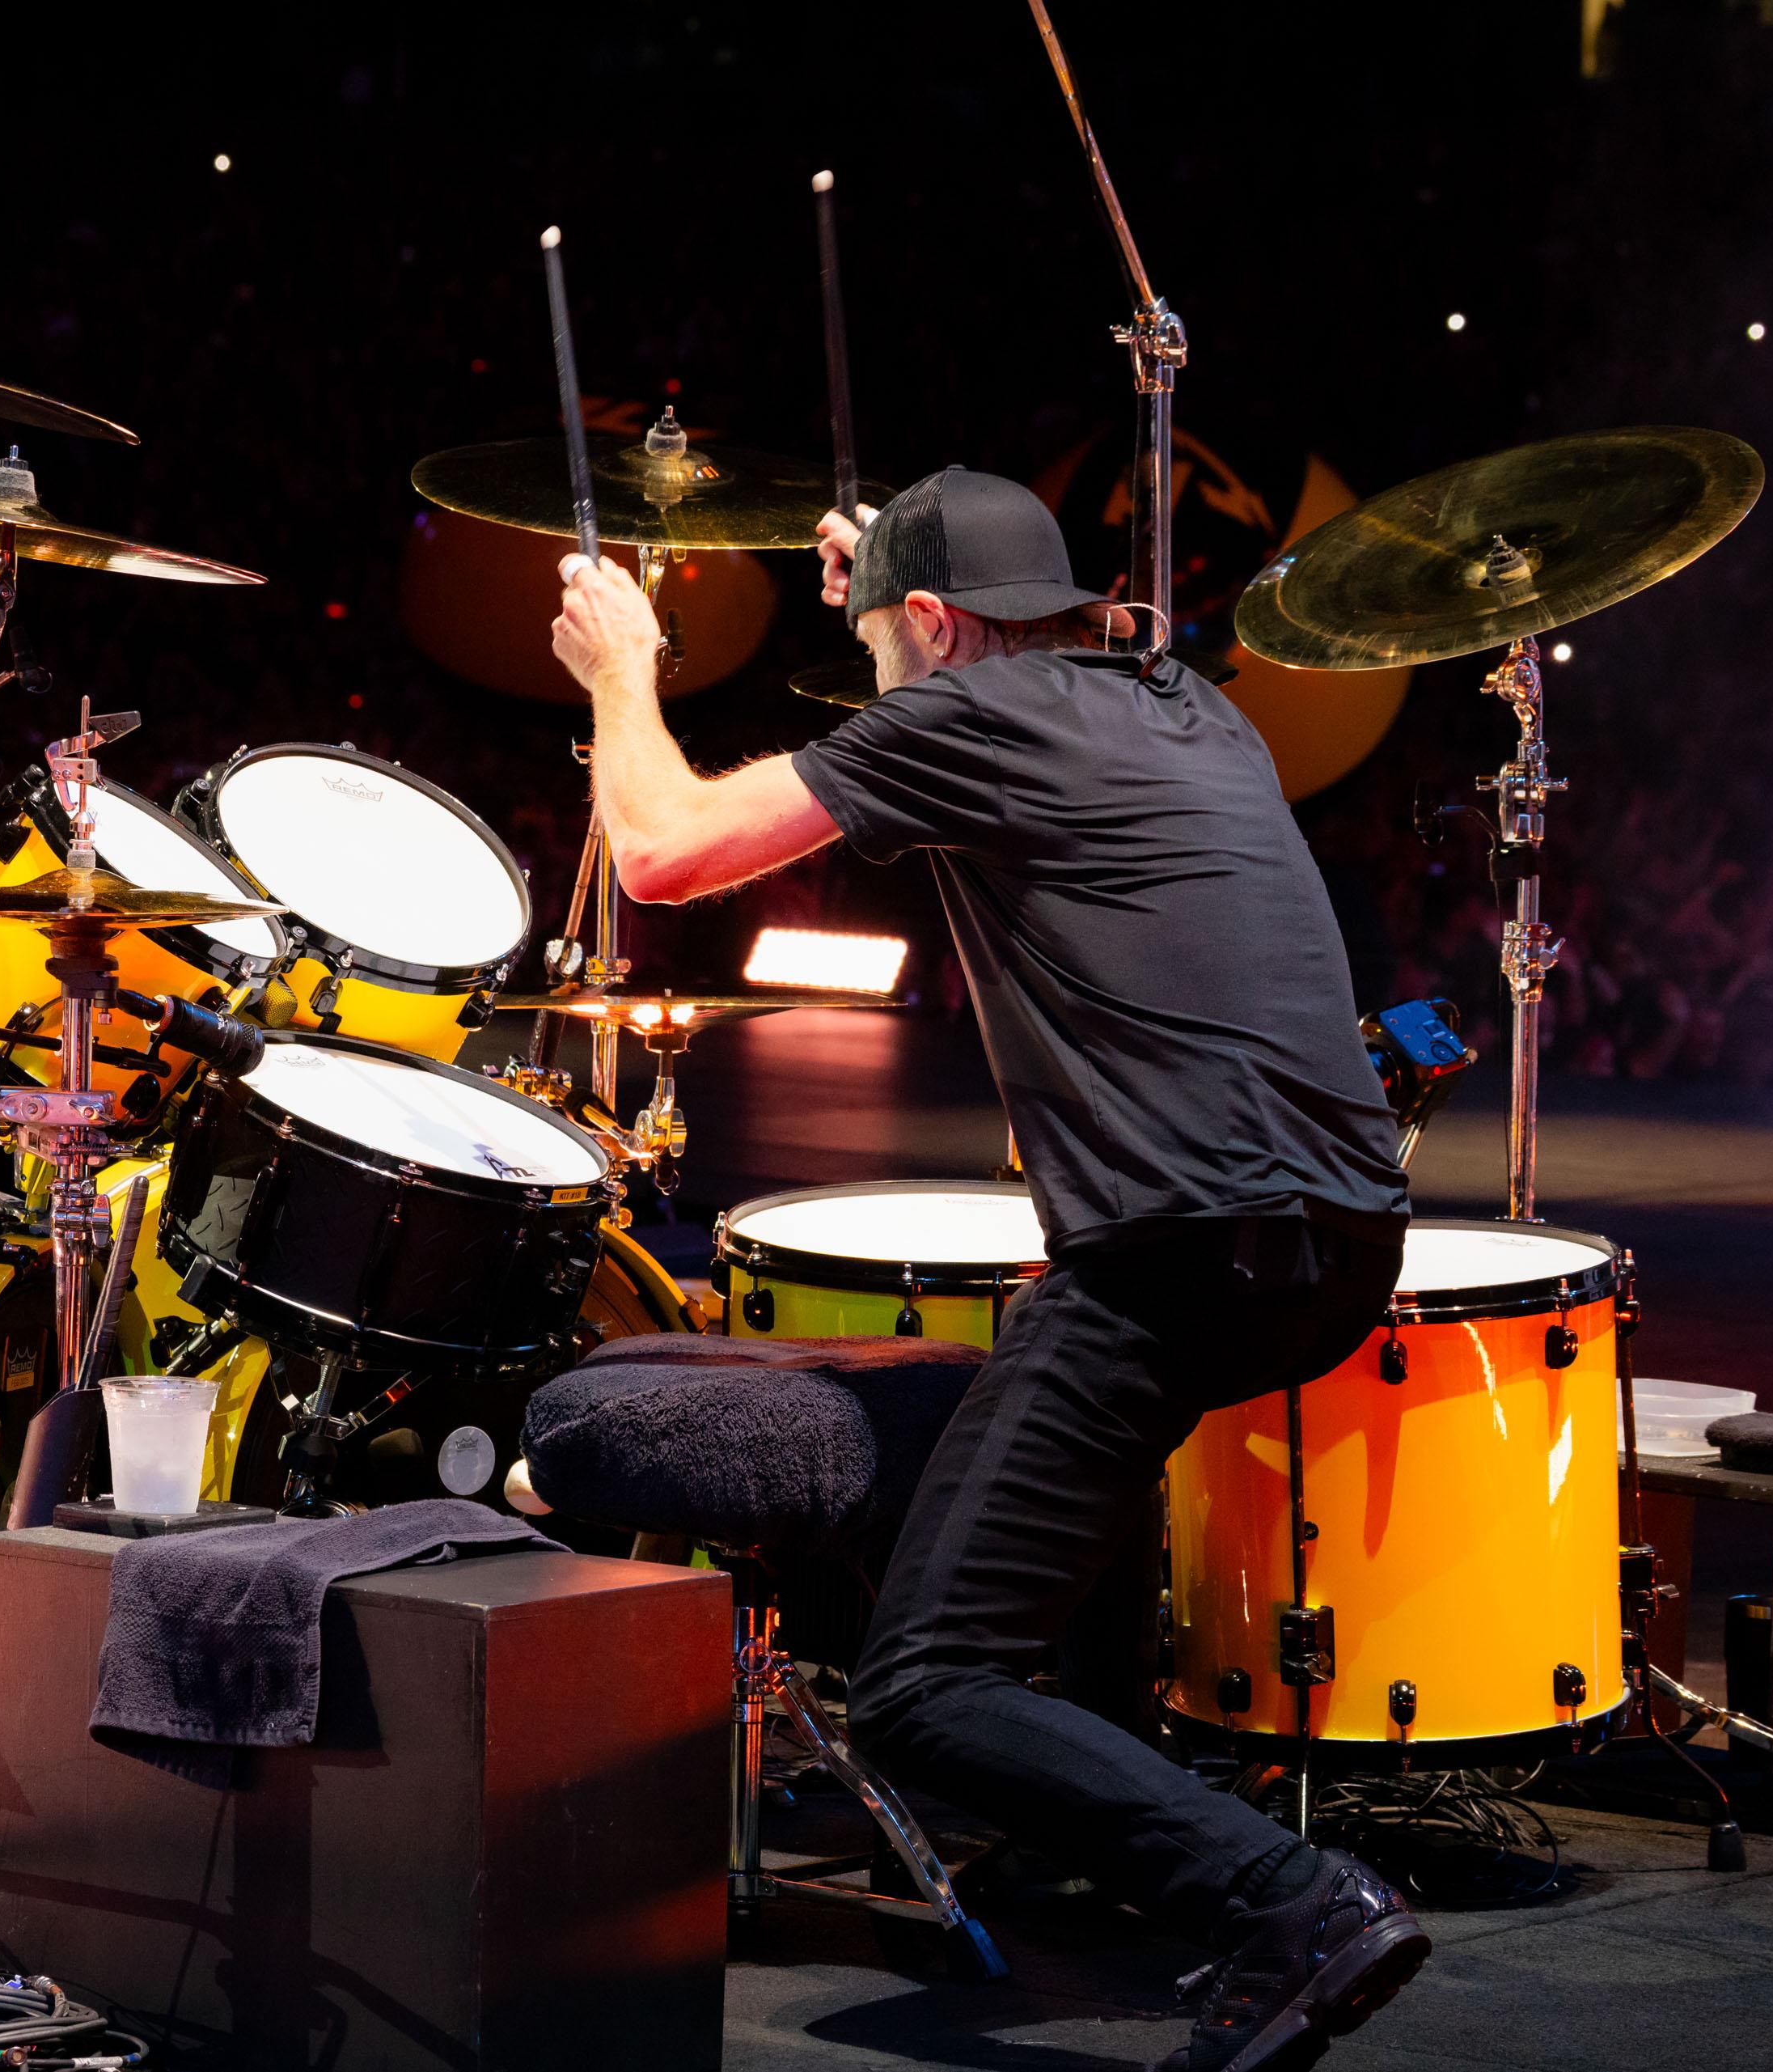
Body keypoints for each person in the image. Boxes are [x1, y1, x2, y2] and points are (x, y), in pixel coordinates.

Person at [549, 468, 1424, 2072]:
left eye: (888, 644)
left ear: (942, 628)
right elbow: (966, 664)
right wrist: (892, 587)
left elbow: (663, 852)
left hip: (1178, 1254)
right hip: (1341, 1238)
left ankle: (1297, 1905)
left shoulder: (968, 713)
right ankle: (1099, 1853)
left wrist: (624, 668)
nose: (878, 680)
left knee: (921, 1686)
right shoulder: (1191, 710)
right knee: (1063, 1474)